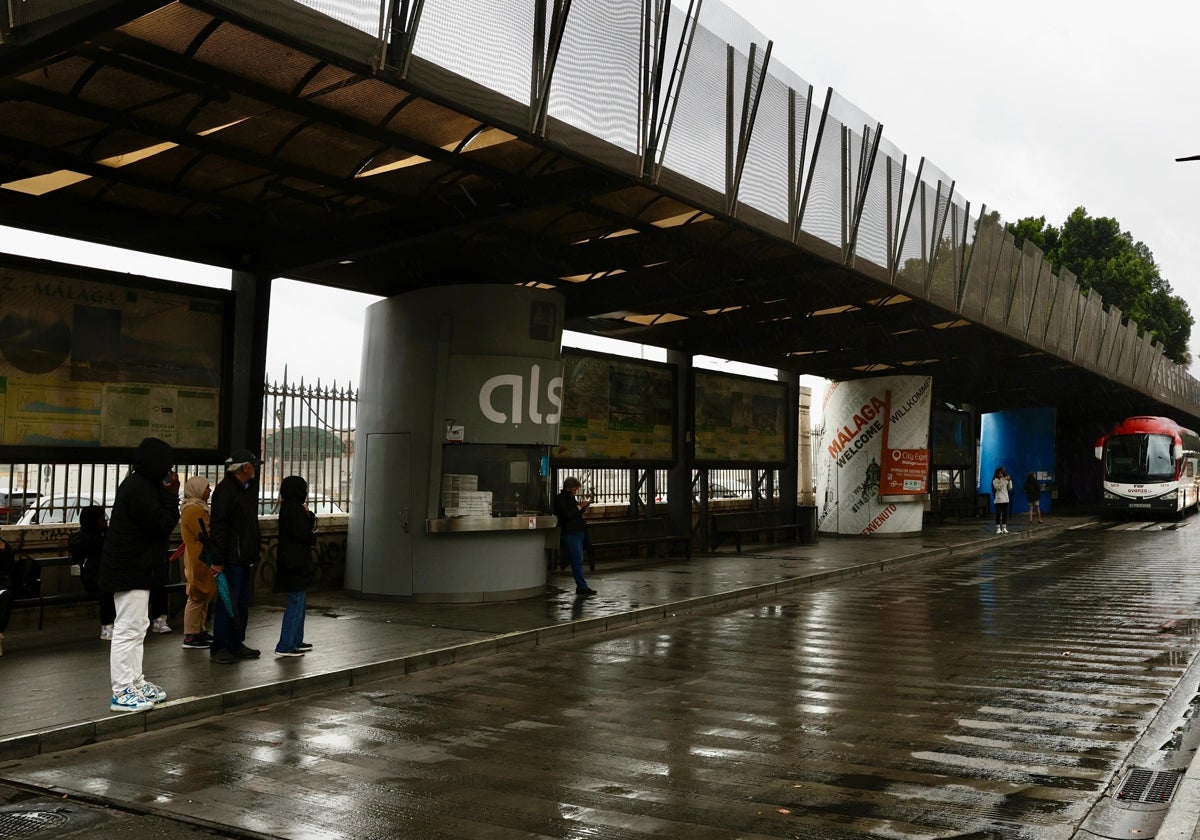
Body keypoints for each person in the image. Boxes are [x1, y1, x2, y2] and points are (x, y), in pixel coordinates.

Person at [100, 436, 180, 712]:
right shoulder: (140, 489)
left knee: (137, 628)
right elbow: (162, 524)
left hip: (136, 567)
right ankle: (122, 691)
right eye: (167, 464)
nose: (171, 471)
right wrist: (172, 497)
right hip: (130, 568)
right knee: (128, 629)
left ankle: (135, 681)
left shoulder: (141, 484)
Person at [208, 448, 264, 665]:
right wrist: (219, 560)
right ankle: (220, 646)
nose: (255, 470)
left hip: (243, 556)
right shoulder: (226, 491)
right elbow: (219, 527)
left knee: (241, 602)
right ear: (245, 468)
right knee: (227, 603)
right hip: (231, 558)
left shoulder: (244, 490)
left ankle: (236, 642)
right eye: (253, 466)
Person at [273, 475, 316, 658]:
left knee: (299, 602)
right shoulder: (295, 509)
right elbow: (303, 534)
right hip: (296, 563)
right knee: (296, 602)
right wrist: (310, 527)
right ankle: (286, 643)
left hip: (291, 562)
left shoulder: (287, 507)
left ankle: (296, 640)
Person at [180, 476, 216, 649]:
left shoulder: (197, 507)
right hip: (199, 557)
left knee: (204, 595)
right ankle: (191, 635)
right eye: (206, 487)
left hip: (202, 555)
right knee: (196, 594)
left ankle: (199, 630)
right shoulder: (193, 509)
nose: (209, 490)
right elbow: (205, 532)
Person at [68, 505, 115, 640]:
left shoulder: (106, 534)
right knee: (108, 588)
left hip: (108, 575)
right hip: (91, 578)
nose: (105, 521)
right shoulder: (80, 539)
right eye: (102, 518)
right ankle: (107, 625)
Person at [553, 476, 596, 595]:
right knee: (576, 560)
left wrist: (583, 507)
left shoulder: (570, 498)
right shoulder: (561, 499)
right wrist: (580, 506)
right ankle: (582, 586)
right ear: (569, 488)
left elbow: (576, 512)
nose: (576, 491)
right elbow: (567, 515)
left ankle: (581, 585)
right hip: (570, 532)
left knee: (578, 559)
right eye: (575, 489)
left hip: (578, 531)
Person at [0, 535, 13, 657]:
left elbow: (9, 568)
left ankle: (0, 633)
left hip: (2, 584)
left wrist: (3, 551)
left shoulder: (5, 546)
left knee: (5, 597)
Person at [992, 466, 1012, 535]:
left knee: (1004, 514)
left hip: (1005, 500)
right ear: (997, 474)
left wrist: (1009, 481)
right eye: (999, 473)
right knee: (998, 514)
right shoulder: (995, 481)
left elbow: (1010, 488)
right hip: (998, 500)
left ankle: (1004, 528)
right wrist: (1004, 480)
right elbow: (999, 487)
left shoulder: (1004, 480)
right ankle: (998, 528)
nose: (1000, 475)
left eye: (1001, 473)